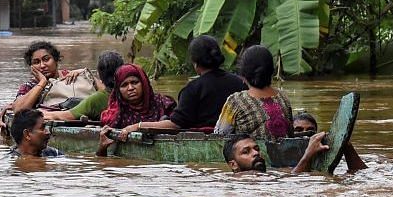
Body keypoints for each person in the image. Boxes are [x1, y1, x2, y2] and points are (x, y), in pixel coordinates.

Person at [114, 35, 246, 141]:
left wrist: (138, 126)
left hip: (203, 140)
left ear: (194, 63)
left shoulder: (192, 89)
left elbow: (174, 125)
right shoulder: (239, 82)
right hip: (238, 139)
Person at [0, 40, 91, 137]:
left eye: (46, 59)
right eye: (36, 62)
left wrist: (85, 73)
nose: (42, 65)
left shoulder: (72, 76)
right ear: (31, 67)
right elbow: (19, 111)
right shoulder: (29, 87)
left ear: (56, 60)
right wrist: (42, 83)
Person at [214, 45, 293, 140]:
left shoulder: (235, 101)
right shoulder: (283, 97)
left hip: (251, 153)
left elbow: (219, 135)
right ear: (271, 71)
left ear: (243, 75)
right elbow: (290, 133)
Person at [224, 132, 368, 175]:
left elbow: (361, 173)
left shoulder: (274, 172)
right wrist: (308, 154)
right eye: (246, 152)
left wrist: (345, 145)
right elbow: (294, 181)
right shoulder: (242, 178)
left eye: (256, 148)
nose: (255, 153)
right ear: (234, 165)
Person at [44, 51, 124, 122]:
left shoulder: (96, 99)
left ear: (99, 74)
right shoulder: (127, 92)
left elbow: (65, 116)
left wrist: (41, 114)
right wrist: (87, 73)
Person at [100, 64, 176, 129]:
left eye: (134, 82)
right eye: (124, 85)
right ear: (118, 90)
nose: (130, 88)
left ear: (144, 83)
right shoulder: (117, 114)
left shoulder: (163, 103)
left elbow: (179, 123)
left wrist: (138, 126)